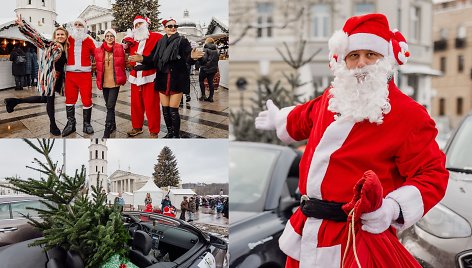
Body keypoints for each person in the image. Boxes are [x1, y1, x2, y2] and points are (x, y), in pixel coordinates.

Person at [255, 13, 448, 267]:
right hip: (307, 230)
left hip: (358, 241)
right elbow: (306, 115)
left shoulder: (408, 114)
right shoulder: (333, 97)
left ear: (386, 59)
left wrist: (392, 208)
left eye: (371, 55)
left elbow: (433, 174)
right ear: (343, 60)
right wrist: (280, 118)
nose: (361, 63)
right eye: (354, 55)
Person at [130, 18, 203, 138]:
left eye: (175, 26)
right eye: (169, 26)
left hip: (176, 80)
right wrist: (142, 59)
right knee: (165, 110)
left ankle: (175, 135)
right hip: (163, 80)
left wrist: (192, 57)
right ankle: (170, 133)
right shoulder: (161, 42)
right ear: (165, 28)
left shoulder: (182, 41)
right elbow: (153, 59)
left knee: (173, 110)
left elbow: (187, 56)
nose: (173, 28)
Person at [4, 15, 68, 136]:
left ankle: (14, 101)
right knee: (50, 101)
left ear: (66, 37)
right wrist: (24, 26)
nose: (60, 36)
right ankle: (53, 126)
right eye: (58, 34)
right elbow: (38, 37)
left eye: (62, 34)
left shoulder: (64, 48)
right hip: (49, 78)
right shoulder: (51, 45)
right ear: (55, 36)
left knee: (44, 99)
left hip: (55, 78)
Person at [124, 16, 162, 138]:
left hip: (149, 75)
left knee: (152, 105)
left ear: (146, 24)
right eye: (136, 25)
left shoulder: (156, 37)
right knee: (136, 104)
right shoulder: (131, 40)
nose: (138, 26)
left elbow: (168, 40)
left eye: (141, 24)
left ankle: (154, 131)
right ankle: (137, 127)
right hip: (135, 76)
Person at [61, 18, 96, 137]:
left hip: (85, 74)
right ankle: (71, 124)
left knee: (87, 99)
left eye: (80, 24)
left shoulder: (89, 39)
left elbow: (97, 53)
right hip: (70, 74)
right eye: (75, 24)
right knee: (69, 99)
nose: (77, 26)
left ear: (84, 27)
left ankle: (87, 124)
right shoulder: (68, 38)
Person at [94, 28, 127, 138]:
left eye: (111, 36)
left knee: (110, 105)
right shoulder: (98, 50)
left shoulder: (119, 48)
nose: (109, 38)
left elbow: (125, 62)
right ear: (104, 37)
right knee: (109, 106)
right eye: (107, 36)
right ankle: (113, 125)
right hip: (104, 82)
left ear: (114, 37)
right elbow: (97, 65)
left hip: (114, 82)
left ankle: (107, 129)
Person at [198, 37, 219, 102]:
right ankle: (211, 97)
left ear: (207, 42)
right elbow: (217, 59)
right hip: (213, 69)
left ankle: (203, 95)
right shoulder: (216, 50)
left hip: (205, 68)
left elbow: (204, 60)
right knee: (210, 82)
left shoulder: (205, 49)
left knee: (201, 81)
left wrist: (199, 58)